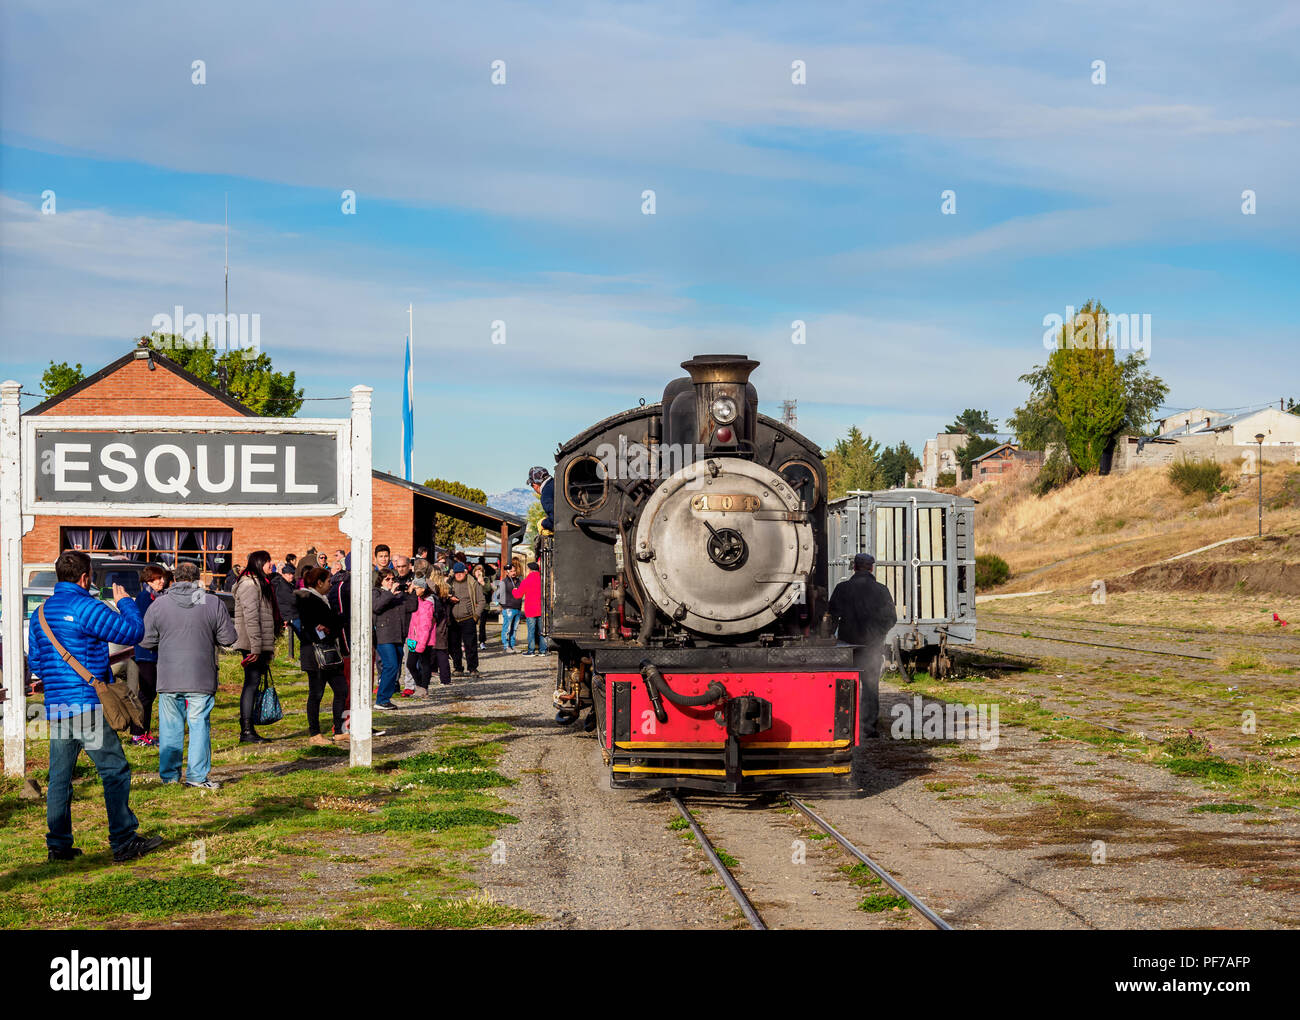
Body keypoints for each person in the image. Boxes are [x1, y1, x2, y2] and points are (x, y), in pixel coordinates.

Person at [27, 550, 162, 863]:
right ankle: (124, 840)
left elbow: (36, 661)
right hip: (87, 706)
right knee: (114, 771)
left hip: (57, 706)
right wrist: (126, 602)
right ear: (86, 577)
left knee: (60, 778)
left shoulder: (41, 612)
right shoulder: (86, 606)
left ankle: (58, 845)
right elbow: (133, 632)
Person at [138, 561, 237, 788]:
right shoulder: (210, 602)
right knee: (199, 725)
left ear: (173, 578)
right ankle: (196, 776)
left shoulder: (160, 604)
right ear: (196, 578)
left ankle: (170, 777)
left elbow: (146, 639)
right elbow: (228, 638)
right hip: (201, 674)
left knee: (170, 727)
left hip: (168, 675)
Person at [826, 552, 898, 739]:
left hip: (847, 646)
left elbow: (831, 616)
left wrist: (829, 638)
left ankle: (845, 727)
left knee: (845, 686)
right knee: (871, 686)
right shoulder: (882, 590)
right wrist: (879, 635)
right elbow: (892, 618)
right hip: (872, 647)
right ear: (871, 568)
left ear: (855, 567)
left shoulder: (842, 588)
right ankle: (868, 728)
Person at [295, 566, 350, 744]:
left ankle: (339, 729)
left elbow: (333, 622)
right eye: (328, 581)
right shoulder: (307, 599)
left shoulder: (322, 598)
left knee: (341, 689)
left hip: (330, 653)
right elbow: (313, 626)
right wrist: (329, 626)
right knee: (316, 693)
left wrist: (331, 625)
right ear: (319, 583)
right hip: (315, 654)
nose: (330, 584)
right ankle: (315, 734)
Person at [233, 549, 281, 743]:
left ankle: (248, 727)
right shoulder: (249, 584)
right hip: (252, 644)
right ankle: (246, 730)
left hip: (259, 643)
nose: (272, 565)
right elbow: (251, 618)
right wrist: (255, 648)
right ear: (260, 563)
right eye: (268, 561)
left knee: (253, 683)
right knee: (251, 684)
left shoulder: (261, 583)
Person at [128, 563, 171, 747]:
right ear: (148, 580)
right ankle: (138, 734)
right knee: (146, 694)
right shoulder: (145, 597)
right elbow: (148, 624)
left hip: (154, 652)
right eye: (158, 578)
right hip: (146, 652)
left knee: (149, 693)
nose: (162, 581)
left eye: (162, 578)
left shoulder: (156, 596)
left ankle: (143, 732)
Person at [372, 567, 407, 710]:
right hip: (383, 635)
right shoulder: (377, 592)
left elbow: (411, 607)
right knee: (390, 665)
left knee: (396, 667)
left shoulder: (397, 594)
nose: (391, 582)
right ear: (381, 580)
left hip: (398, 634)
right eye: (387, 579)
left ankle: (385, 698)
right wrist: (389, 593)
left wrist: (409, 593)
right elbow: (376, 607)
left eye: (393, 579)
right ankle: (381, 699)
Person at [447, 562, 485, 677]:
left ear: (465, 572)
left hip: (468, 618)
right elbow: (442, 597)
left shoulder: (473, 583)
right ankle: (458, 668)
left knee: (470, 645)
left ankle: (473, 668)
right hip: (453, 619)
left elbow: (482, 601)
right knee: (454, 645)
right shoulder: (449, 583)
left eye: (460, 573)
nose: (458, 575)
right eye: (456, 573)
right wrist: (449, 599)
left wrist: (476, 616)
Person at [404, 576, 439, 695]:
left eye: (416, 588)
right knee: (411, 664)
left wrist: (421, 644)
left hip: (424, 640)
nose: (415, 590)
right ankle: (420, 686)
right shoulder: (417, 600)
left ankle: (423, 687)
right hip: (414, 638)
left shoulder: (427, 604)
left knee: (424, 663)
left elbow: (425, 626)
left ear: (423, 589)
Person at [514, 561, 546, 655]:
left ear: (530, 570)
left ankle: (531, 651)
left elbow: (518, 595)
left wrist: (514, 590)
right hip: (541, 609)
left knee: (531, 631)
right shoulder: (542, 580)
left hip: (530, 610)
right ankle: (543, 650)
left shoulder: (526, 581)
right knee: (542, 631)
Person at [497, 562, 523, 653]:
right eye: (511, 571)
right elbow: (498, 595)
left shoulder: (519, 581)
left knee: (514, 629)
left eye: (514, 571)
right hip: (508, 608)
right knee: (507, 628)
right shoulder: (504, 582)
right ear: (507, 572)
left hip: (517, 608)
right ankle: (506, 646)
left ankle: (512, 645)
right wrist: (505, 606)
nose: (513, 573)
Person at [271, 564, 298, 634]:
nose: (291, 576)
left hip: (289, 614)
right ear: (283, 574)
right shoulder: (283, 586)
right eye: (289, 574)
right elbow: (293, 600)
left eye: (292, 573)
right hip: (289, 615)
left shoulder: (288, 583)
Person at [528, 466, 555, 531]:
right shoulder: (558, 483)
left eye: (532, 486)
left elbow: (556, 519)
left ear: (534, 484)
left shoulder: (546, 495)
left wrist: (543, 524)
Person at [473, 563, 490, 650]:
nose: (478, 573)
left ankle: (482, 641)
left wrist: (482, 583)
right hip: (473, 606)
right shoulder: (471, 580)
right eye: (477, 571)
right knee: (472, 624)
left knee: (482, 625)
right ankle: (472, 642)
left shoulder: (486, 580)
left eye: (480, 572)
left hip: (484, 606)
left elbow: (488, 590)